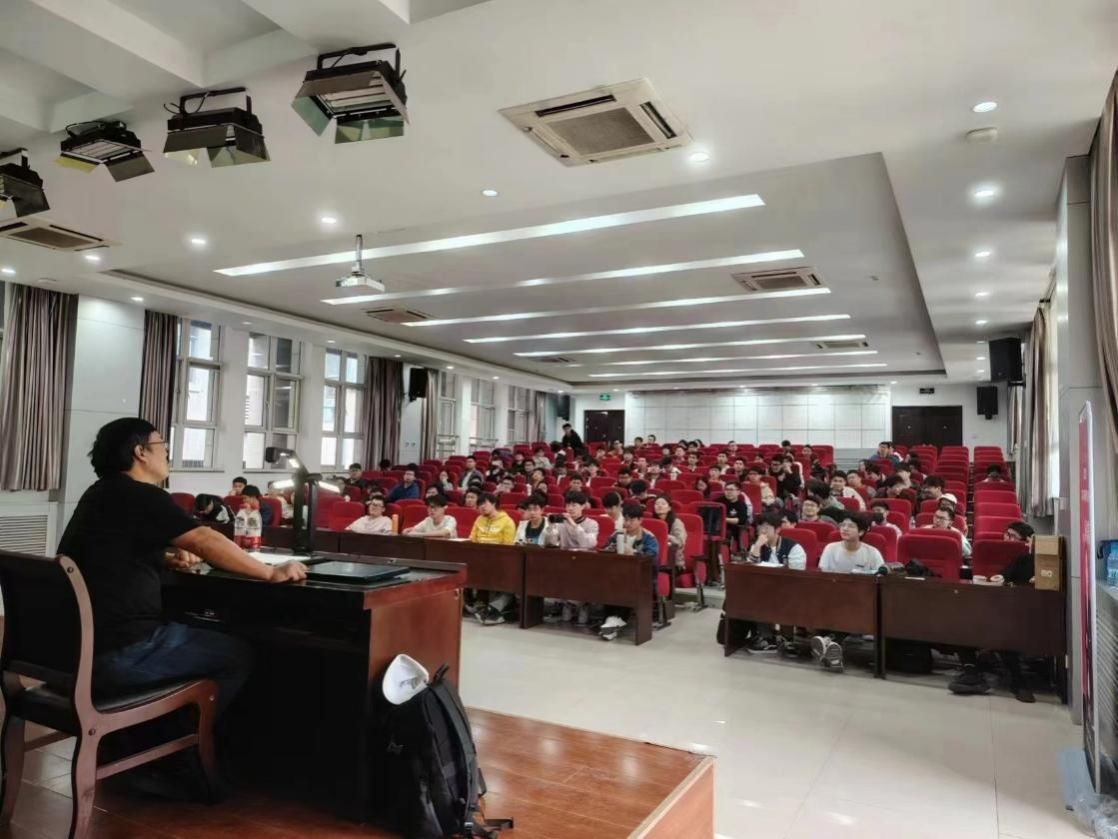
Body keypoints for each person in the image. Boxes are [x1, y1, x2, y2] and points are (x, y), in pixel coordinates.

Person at [58, 418, 306, 730]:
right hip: (122, 653)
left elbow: (107, 551)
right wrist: (269, 573)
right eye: (162, 444)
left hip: (75, 651)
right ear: (140, 452)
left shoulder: (98, 494)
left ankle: (153, 736)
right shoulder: (143, 495)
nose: (167, 452)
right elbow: (203, 539)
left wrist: (163, 558)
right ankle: (183, 742)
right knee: (239, 653)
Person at [949, 521, 1036, 702]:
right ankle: (971, 671)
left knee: (1004, 627)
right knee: (960, 618)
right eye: (1006, 534)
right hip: (990, 604)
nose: (1007, 538)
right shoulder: (996, 553)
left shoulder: (1028, 559)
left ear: (1027, 540)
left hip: (1018, 611)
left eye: (1012, 536)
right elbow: (999, 579)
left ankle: (1017, 680)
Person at [813, 514, 884, 672]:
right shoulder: (831, 548)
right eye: (843, 525)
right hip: (833, 595)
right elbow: (824, 575)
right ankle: (832, 646)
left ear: (861, 532)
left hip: (863, 599)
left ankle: (828, 642)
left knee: (850, 607)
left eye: (850, 526)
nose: (845, 529)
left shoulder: (872, 553)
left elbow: (881, 579)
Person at [599, 504, 661, 642]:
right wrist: (613, 549)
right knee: (608, 584)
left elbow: (652, 559)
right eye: (626, 520)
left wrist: (633, 553)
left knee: (627, 586)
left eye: (632, 520)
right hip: (618, 574)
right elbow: (604, 549)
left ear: (640, 520)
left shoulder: (649, 538)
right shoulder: (617, 534)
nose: (628, 523)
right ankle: (611, 622)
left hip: (641, 577)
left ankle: (613, 622)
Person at [468, 494, 518, 625]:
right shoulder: (479, 519)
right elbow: (472, 540)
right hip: (480, 558)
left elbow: (508, 548)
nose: (482, 507)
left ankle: (492, 607)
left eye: (484, 504)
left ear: (494, 503)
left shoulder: (507, 521)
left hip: (499, 559)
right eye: (479, 505)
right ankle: (475, 602)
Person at [651, 496, 687, 570]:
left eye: (663, 504)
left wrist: (664, 536)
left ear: (669, 508)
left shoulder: (676, 522)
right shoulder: (652, 522)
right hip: (654, 560)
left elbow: (680, 541)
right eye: (657, 504)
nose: (659, 506)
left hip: (673, 563)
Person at [720, 481, 753, 552]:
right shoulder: (719, 501)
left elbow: (742, 520)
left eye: (731, 490)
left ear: (738, 492)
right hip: (717, 528)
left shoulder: (741, 505)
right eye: (726, 489)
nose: (728, 492)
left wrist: (724, 519)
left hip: (732, 529)